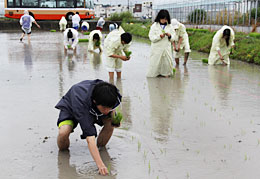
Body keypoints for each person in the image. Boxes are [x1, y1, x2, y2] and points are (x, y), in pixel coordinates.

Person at [55, 79, 122, 176]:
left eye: (109, 107)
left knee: (110, 123)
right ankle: (64, 153)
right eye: (104, 108)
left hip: (94, 107)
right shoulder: (81, 101)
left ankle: (101, 148)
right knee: (63, 132)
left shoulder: (110, 92)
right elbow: (90, 138)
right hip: (72, 107)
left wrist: (114, 119)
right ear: (95, 101)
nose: (107, 110)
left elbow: (110, 107)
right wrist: (100, 165)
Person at [147, 9, 176, 77]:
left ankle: (166, 78)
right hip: (156, 49)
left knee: (167, 65)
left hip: (166, 49)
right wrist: (159, 36)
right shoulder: (154, 26)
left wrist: (170, 36)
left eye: (165, 19)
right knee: (154, 66)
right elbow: (151, 38)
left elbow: (174, 38)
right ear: (159, 18)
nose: (164, 20)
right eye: (162, 19)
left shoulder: (170, 26)